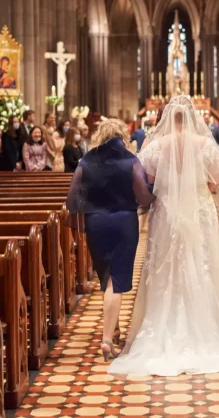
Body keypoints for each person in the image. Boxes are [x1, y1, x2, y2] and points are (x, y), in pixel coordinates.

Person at [108, 95, 219, 376]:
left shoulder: (157, 144)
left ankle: (162, 327)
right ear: (192, 116)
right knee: (199, 262)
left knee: (165, 265)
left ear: (168, 117)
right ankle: (202, 328)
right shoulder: (204, 143)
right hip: (198, 207)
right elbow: (216, 179)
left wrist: (169, 181)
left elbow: (145, 178)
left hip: (166, 209)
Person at [66, 118, 156, 362]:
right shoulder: (130, 160)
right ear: (121, 136)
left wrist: (91, 207)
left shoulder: (87, 160)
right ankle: (106, 339)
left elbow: (75, 198)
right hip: (124, 222)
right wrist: (151, 194)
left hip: (96, 222)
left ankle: (114, 329)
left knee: (106, 276)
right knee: (116, 280)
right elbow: (143, 195)